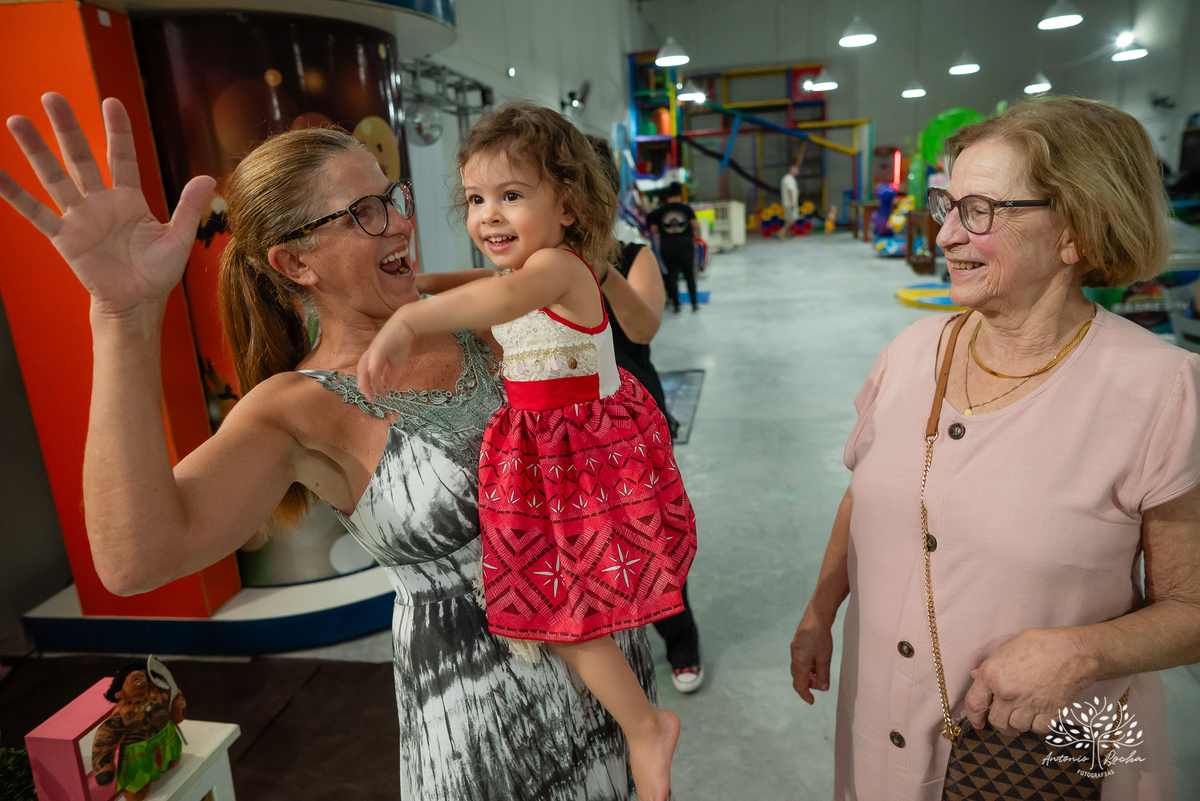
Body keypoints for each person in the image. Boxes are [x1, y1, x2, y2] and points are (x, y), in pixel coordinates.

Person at [1, 93, 660, 801]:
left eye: (392, 196)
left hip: (615, 685)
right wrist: (123, 318)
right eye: (363, 213)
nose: (400, 220)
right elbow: (135, 560)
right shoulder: (300, 407)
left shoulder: (483, 315)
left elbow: (599, 315)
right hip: (486, 738)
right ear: (295, 261)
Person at [789, 96, 1200, 800]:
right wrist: (820, 608)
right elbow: (868, 493)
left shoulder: (1160, 389)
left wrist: (1083, 650)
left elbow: (1191, 607)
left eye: (977, 211)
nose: (944, 234)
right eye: (945, 203)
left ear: (1074, 229)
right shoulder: (910, 353)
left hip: (1045, 760)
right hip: (881, 727)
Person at [357, 102, 696, 801]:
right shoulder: (527, 271)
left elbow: (500, 297)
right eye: (477, 199)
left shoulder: (560, 268)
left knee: (566, 614)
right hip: (545, 461)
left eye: (512, 195)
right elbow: (483, 288)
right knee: (553, 610)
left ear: (567, 206)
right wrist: (419, 284)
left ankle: (645, 725)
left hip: (583, 461)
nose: (488, 215)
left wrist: (405, 319)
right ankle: (641, 722)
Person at [588, 136, 704, 694]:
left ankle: (681, 638)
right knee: (587, 545)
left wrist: (596, 267)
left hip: (633, 421)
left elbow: (642, 329)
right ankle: (604, 658)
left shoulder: (633, 257)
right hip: (565, 431)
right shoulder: (528, 267)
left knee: (646, 539)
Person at [646, 183, 700, 313]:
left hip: (668, 245)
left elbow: (654, 230)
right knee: (689, 275)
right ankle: (694, 304)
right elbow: (696, 226)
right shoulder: (686, 209)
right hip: (685, 245)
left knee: (672, 275)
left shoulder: (659, 212)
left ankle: (676, 305)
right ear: (679, 195)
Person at [779, 163, 800, 239]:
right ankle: (782, 232)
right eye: (796, 169)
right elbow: (789, 191)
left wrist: (796, 192)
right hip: (789, 203)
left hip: (791, 202)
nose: (797, 171)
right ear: (792, 170)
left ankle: (787, 234)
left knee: (791, 219)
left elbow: (792, 190)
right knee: (789, 219)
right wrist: (792, 203)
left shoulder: (791, 179)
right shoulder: (788, 179)